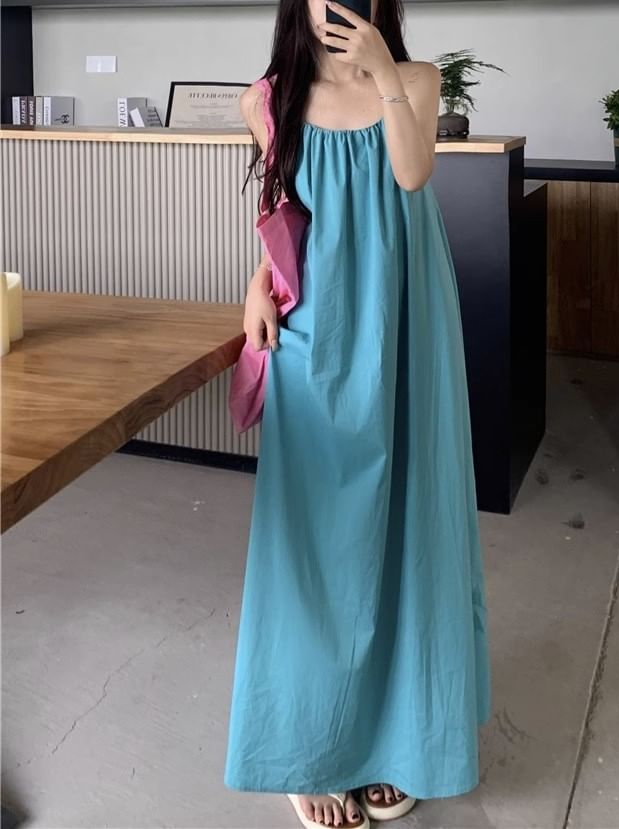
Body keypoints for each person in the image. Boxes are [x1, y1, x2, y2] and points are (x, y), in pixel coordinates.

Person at [223, 0, 491, 826]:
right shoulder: (266, 98)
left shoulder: (417, 79)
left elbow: (411, 174)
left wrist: (381, 71)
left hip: (409, 324)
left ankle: (404, 738)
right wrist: (257, 284)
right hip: (316, 329)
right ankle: (310, 746)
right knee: (313, 537)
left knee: (414, 523)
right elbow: (282, 211)